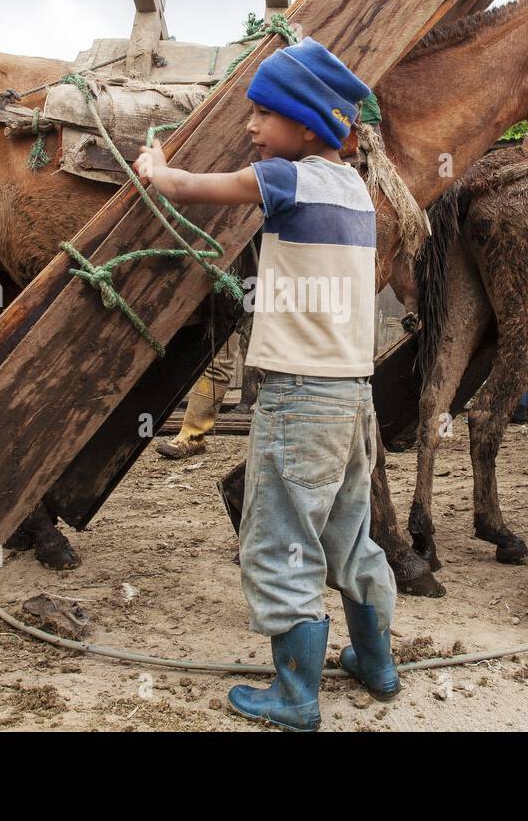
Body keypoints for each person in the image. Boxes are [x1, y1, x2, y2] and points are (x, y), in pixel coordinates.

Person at [133, 37, 399, 731]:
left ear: (306, 126)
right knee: (349, 534)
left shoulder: (287, 180)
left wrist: (157, 167)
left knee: (281, 536)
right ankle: (377, 662)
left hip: (297, 396)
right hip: (351, 396)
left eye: (262, 114)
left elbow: (194, 191)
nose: (250, 128)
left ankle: (293, 696)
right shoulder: (359, 193)